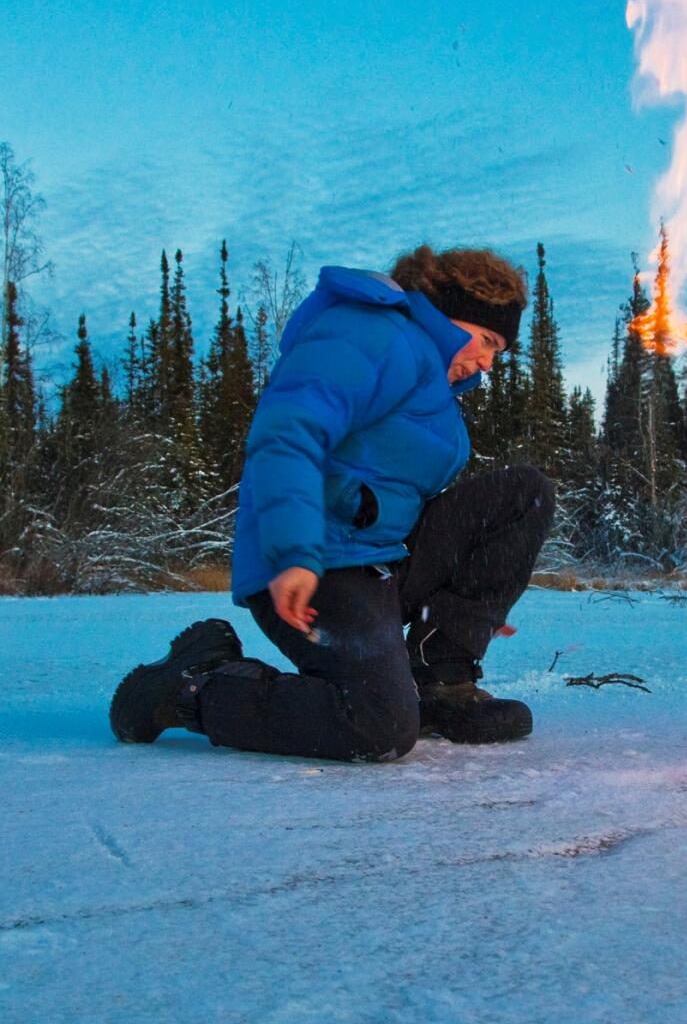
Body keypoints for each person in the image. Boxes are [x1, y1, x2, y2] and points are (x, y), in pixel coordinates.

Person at [109, 246, 554, 760]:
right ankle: (193, 686)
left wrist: (472, 592)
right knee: (376, 726)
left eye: (499, 352)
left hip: (378, 558)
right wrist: (293, 553)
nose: (487, 362)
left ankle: (438, 679)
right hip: (321, 562)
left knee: (524, 494)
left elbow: (403, 494)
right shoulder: (374, 335)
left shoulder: (428, 375)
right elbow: (288, 433)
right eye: (487, 341)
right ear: (447, 312)